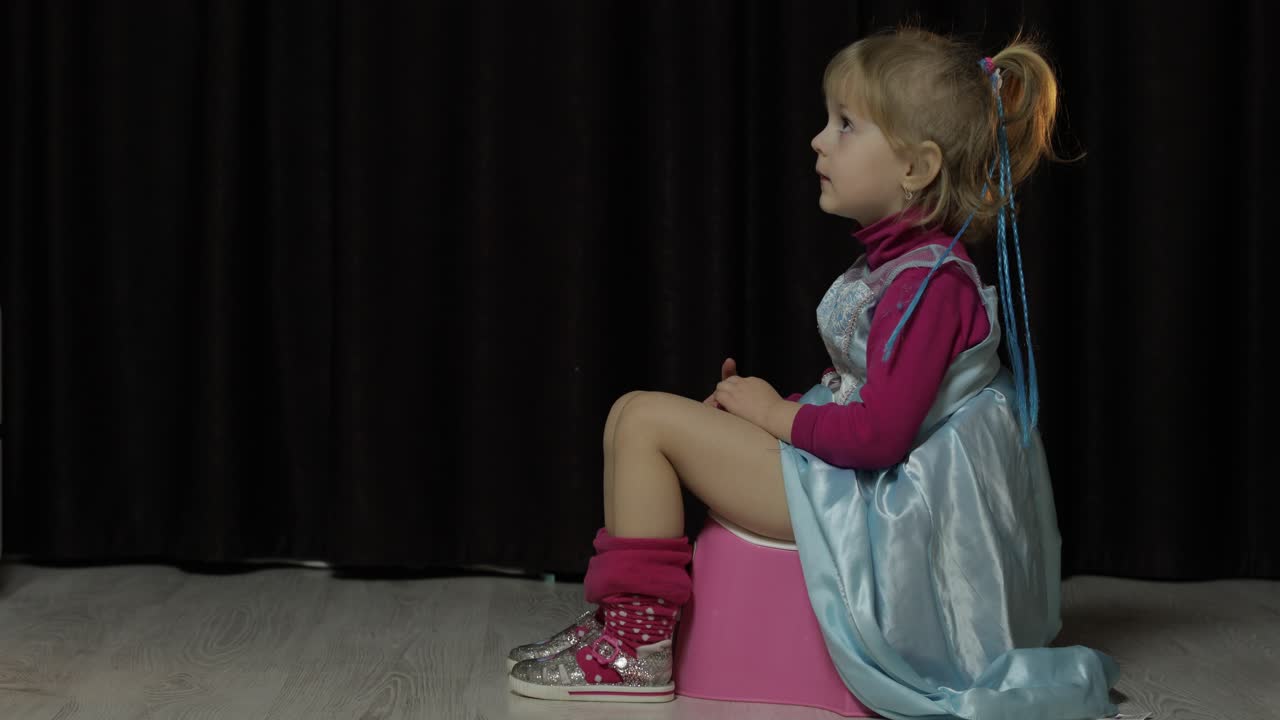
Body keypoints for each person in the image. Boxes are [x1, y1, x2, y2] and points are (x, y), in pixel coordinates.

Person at [507, 25, 1120, 720]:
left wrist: (772, 414)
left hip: (879, 512)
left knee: (644, 419)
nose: (818, 140)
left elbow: (881, 438)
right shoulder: (904, 269)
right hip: (859, 488)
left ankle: (636, 649)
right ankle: (625, 626)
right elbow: (862, 399)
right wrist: (769, 409)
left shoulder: (929, 288)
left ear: (916, 168)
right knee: (632, 415)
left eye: (846, 125)